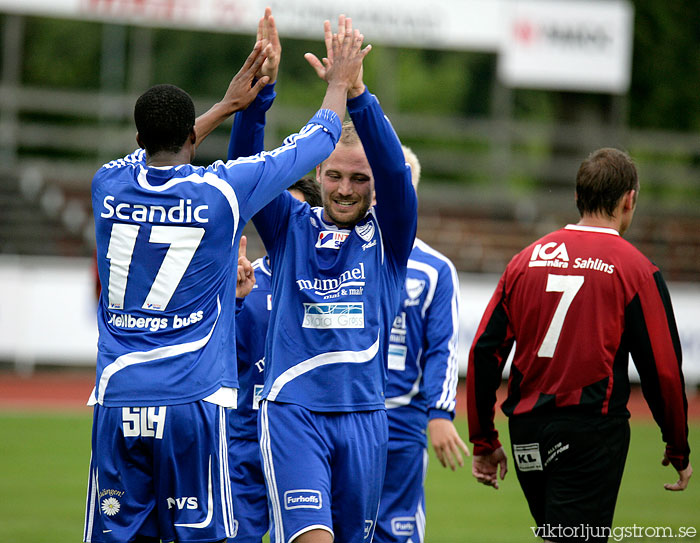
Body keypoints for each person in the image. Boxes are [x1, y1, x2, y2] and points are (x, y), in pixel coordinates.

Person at [83, 13, 370, 543]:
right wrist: (336, 85)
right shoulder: (221, 193)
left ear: (140, 134)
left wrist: (225, 108)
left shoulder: (108, 185)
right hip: (191, 400)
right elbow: (316, 139)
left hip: (118, 396)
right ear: (189, 135)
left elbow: (168, 145)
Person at [230, 15, 418, 543]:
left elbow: (398, 175)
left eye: (359, 179)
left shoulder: (391, 237)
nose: (343, 188)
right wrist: (262, 93)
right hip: (293, 411)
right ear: (316, 174)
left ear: (374, 186)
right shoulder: (290, 225)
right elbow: (246, 168)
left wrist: (357, 94)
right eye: (333, 174)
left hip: (365, 418)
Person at [466, 148, 692, 542]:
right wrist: (677, 444)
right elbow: (664, 370)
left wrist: (485, 439)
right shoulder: (635, 268)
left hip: (526, 432)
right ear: (629, 200)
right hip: (590, 432)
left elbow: (484, 352)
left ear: (577, 197)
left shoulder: (525, 260)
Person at [374, 146, 469, 543]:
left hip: (402, 421)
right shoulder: (336, 253)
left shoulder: (436, 269)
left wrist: (440, 412)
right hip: (337, 412)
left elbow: (441, 349)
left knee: (397, 531)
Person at [228, 179, 322, 543]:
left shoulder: (335, 287)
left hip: (304, 444)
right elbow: (217, 363)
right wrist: (234, 302)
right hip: (245, 443)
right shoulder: (244, 281)